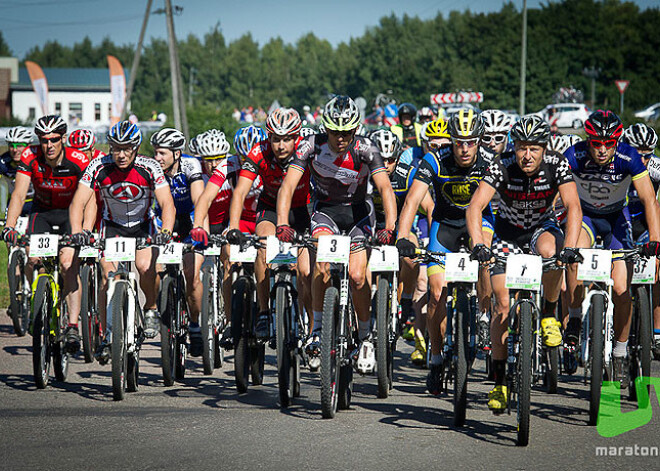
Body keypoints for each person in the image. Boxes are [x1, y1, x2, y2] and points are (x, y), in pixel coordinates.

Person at [466, 114, 582, 412]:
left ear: (544, 149)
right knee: (502, 306)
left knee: (552, 254)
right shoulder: (500, 165)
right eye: (521, 148)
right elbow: (476, 207)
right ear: (513, 147)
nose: (526, 155)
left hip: (541, 228)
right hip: (507, 233)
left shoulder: (557, 165)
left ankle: (547, 313)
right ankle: (500, 382)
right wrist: (480, 244)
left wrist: (569, 247)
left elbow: (572, 206)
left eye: (533, 148)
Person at [276, 95, 397, 374]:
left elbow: (385, 189)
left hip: (358, 213)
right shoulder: (310, 146)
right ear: (324, 128)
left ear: (355, 130)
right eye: (334, 132)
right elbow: (288, 186)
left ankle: (365, 336)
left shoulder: (366, 148)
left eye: (346, 133)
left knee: (357, 276)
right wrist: (283, 223)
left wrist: (389, 227)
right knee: (321, 263)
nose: (340, 138)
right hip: (326, 212)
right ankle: (318, 329)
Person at [397, 108, 494, 394]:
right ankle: (436, 356)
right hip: (445, 226)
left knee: (485, 254)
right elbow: (413, 200)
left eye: (471, 142)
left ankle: (485, 315)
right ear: (451, 140)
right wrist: (403, 236)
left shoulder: (489, 163)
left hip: (480, 222)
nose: (464, 149)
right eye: (459, 142)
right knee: (437, 292)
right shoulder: (434, 160)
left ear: (479, 141)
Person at [563, 111, 660, 389]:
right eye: (596, 143)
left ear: (617, 141)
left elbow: (648, 199)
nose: (602, 149)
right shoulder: (574, 155)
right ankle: (575, 316)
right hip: (586, 218)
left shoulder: (629, 157)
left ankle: (619, 352)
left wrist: (655, 237)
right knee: (574, 252)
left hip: (617, 220)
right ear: (588, 140)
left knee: (621, 290)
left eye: (608, 143)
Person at [68, 120, 175, 363]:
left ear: (136, 148)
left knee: (146, 266)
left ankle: (150, 308)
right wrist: (77, 230)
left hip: (142, 226)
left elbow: (167, 203)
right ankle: (107, 336)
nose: (121, 154)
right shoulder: (98, 165)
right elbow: (79, 201)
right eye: (116, 148)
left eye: (127, 148)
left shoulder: (149, 167)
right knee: (108, 276)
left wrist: (166, 231)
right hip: (112, 227)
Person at [2, 115, 90, 354]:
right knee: (33, 258)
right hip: (42, 213)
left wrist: (85, 229)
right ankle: (39, 301)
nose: (48, 145)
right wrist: (9, 227)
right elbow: (19, 195)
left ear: (63, 139)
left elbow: (90, 197)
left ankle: (72, 325)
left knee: (67, 263)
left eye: (53, 139)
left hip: (70, 214)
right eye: (43, 140)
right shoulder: (30, 157)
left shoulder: (78, 159)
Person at [224, 108, 312, 343]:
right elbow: (241, 191)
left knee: (305, 271)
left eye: (286, 139)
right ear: (268, 137)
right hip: (270, 207)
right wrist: (233, 227)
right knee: (263, 248)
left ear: (297, 137)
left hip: (303, 209)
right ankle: (264, 312)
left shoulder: (307, 150)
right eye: (275, 139)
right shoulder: (258, 152)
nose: (280, 146)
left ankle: (313, 326)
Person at [369, 127, 435, 365]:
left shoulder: (407, 173)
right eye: (380, 159)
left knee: (412, 255)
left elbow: (428, 207)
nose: (385, 165)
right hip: (368, 226)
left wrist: (433, 240)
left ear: (398, 158)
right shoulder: (362, 171)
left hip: (398, 227)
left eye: (390, 160)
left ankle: (405, 300)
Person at [150, 127, 206, 357]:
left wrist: (199, 228)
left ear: (177, 153)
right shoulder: (153, 168)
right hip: (164, 218)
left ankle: (194, 324)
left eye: (162, 153)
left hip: (191, 218)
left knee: (192, 277)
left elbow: (198, 197)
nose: (157, 158)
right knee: (151, 265)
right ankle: (156, 309)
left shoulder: (191, 165)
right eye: (155, 152)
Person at [622, 123, 660, 359]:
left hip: (646, 224)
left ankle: (656, 330)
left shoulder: (656, 167)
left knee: (658, 269)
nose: (643, 159)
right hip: (622, 223)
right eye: (638, 153)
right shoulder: (620, 163)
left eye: (648, 154)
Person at [0, 126, 34, 219]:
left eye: (19, 145)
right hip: (13, 203)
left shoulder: (38, 160)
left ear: (28, 146)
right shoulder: (3, 162)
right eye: (11, 146)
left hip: (35, 203)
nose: (15, 150)